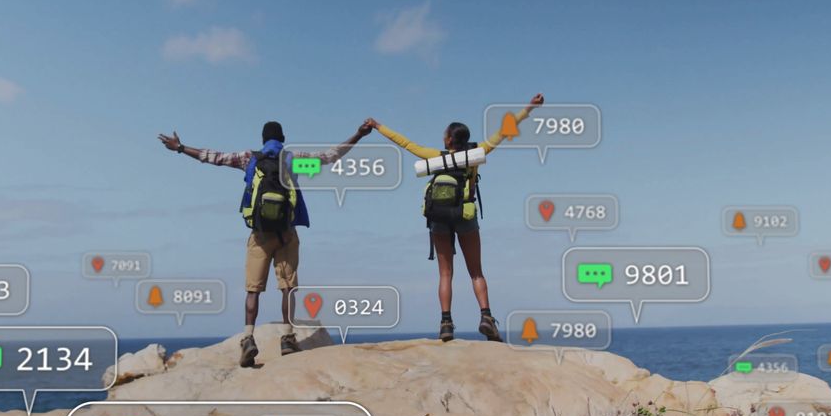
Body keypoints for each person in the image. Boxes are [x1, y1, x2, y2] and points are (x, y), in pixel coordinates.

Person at [159, 121, 371, 367]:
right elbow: (330, 156)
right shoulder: (294, 159)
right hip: (286, 234)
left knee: (253, 290)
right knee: (287, 287)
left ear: (263, 140)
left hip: (259, 236)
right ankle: (287, 338)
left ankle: (248, 338)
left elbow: (213, 157)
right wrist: (358, 134)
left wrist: (180, 147)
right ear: (283, 138)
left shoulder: (248, 158)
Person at [364, 93, 544, 342]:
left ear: (448, 139)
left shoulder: (435, 156)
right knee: (476, 272)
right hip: (466, 216)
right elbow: (504, 132)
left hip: (438, 217)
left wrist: (378, 126)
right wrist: (529, 109)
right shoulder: (476, 154)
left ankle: (446, 323)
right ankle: (486, 317)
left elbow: (404, 143)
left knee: (445, 273)